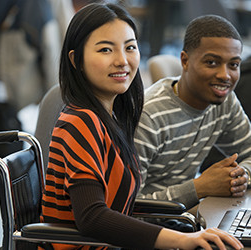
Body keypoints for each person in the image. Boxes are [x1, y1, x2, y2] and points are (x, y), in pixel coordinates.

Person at [41, 4, 243, 250]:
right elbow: (92, 217)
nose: (122, 61)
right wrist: (181, 239)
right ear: (76, 59)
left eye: (130, 47)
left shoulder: (114, 117)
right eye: (106, 49)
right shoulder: (80, 122)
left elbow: (123, 204)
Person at [134, 14, 251, 210]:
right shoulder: (148, 117)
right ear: (185, 61)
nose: (225, 75)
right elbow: (127, 207)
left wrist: (240, 176)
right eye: (212, 63)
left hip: (187, 215)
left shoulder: (225, 101)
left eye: (234, 65)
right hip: (153, 228)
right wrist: (199, 187)